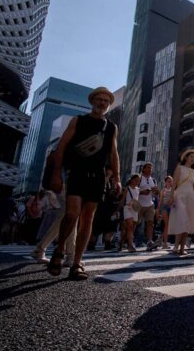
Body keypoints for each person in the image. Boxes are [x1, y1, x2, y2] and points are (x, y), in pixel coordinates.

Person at [47, 87, 120, 280]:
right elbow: (61, 147)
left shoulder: (111, 127)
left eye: (106, 101)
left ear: (108, 105)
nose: (102, 103)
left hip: (98, 176)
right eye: (99, 99)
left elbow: (114, 154)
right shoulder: (78, 120)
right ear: (92, 101)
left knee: (88, 218)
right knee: (72, 214)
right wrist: (56, 173)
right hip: (77, 173)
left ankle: (77, 263)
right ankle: (59, 249)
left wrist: (117, 178)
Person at [168, 149, 194, 256]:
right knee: (181, 220)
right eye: (191, 156)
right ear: (186, 157)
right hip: (180, 196)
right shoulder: (180, 168)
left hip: (190, 197)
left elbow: (193, 187)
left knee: (188, 222)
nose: (192, 159)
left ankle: (182, 248)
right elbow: (174, 184)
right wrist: (171, 196)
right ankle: (175, 246)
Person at [88, 167, 121, 250]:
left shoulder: (115, 181)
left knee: (111, 226)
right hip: (101, 206)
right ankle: (91, 243)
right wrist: (107, 177)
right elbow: (100, 186)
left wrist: (116, 184)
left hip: (111, 206)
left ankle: (108, 242)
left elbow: (118, 194)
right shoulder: (101, 178)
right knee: (96, 226)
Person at [137, 163, 159, 251]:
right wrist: (142, 192)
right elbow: (132, 189)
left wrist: (156, 191)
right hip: (139, 204)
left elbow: (155, 192)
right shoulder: (139, 178)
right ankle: (126, 240)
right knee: (135, 224)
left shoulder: (152, 179)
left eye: (151, 168)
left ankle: (149, 242)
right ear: (144, 169)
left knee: (150, 223)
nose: (150, 169)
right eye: (148, 168)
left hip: (150, 204)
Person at [118, 174, 141, 252]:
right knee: (130, 227)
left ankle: (122, 242)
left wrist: (139, 211)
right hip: (127, 208)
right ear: (132, 180)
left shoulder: (138, 190)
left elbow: (137, 200)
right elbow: (122, 200)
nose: (137, 182)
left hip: (135, 209)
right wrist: (118, 210)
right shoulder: (127, 189)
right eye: (136, 180)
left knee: (130, 229)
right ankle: (130, 245)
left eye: (138, 181)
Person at [156, 176, 174, 249]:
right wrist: (158, 210)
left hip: (172, 207)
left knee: (168, 225)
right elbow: (160, 200)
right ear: (166, 182)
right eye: (168, 181)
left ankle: (161, 239)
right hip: (164, 207)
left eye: (171, 181)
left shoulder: (173, 190)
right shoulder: (163, 190)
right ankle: (164, 242)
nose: (170, 182)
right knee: (167, 224)